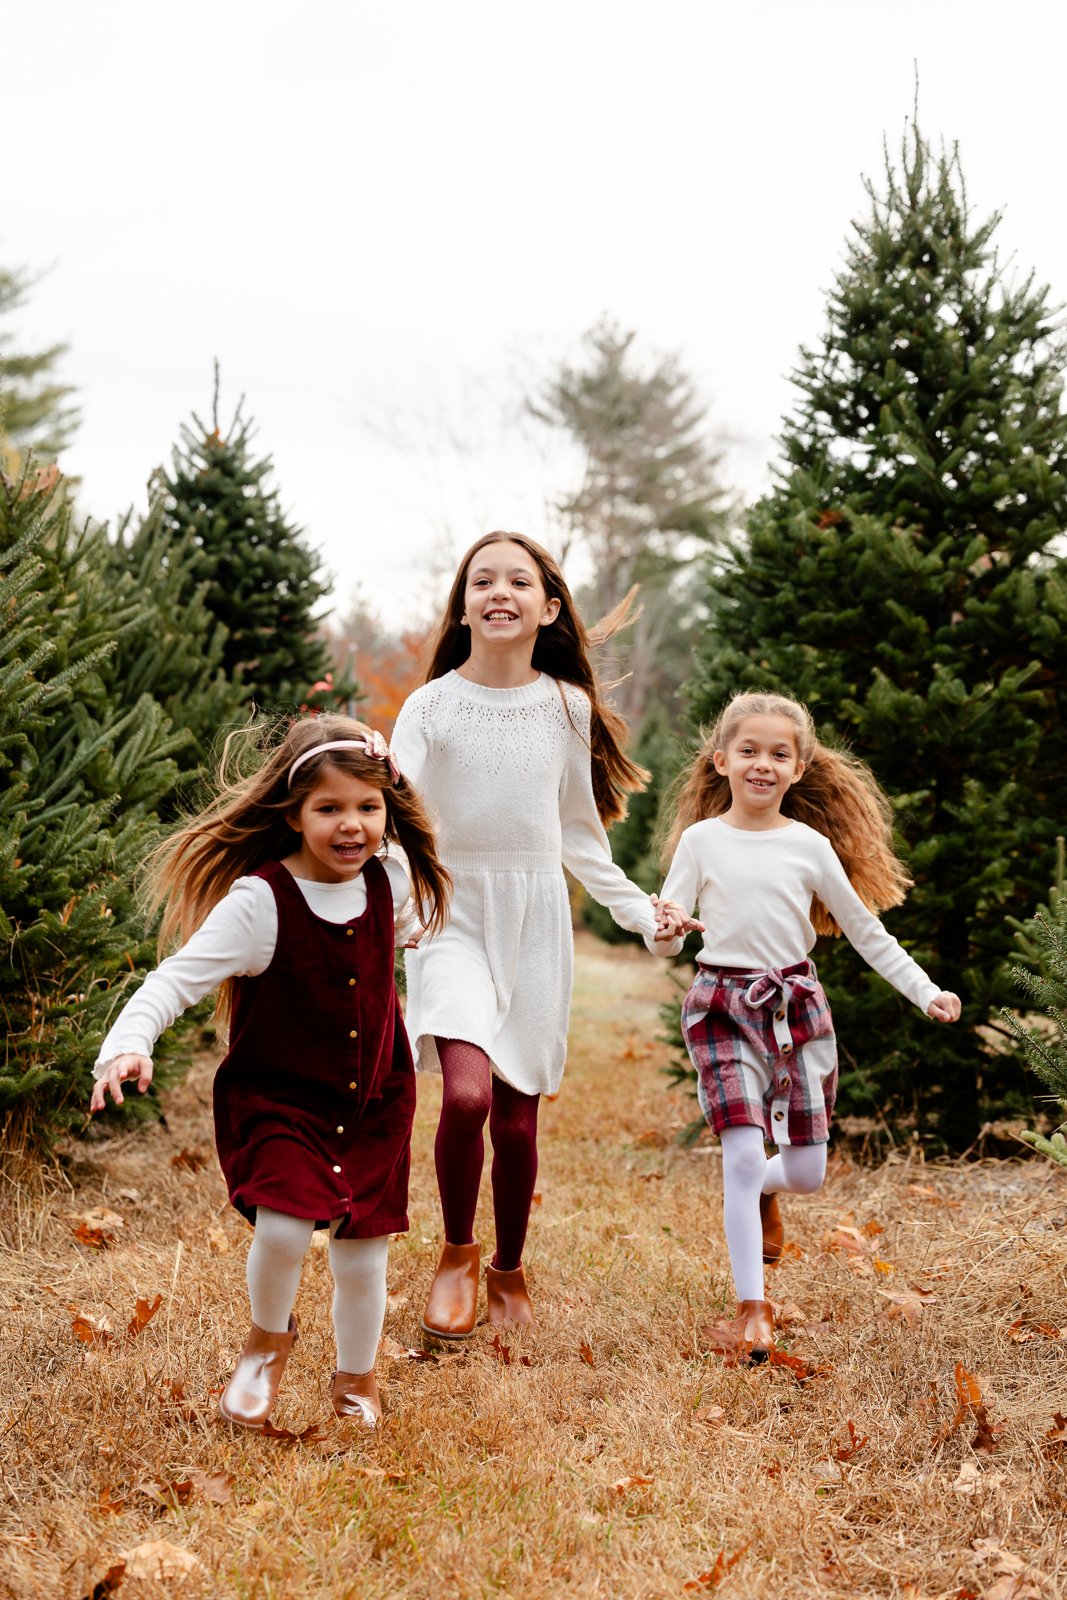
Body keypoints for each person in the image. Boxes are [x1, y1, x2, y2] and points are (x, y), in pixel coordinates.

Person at [89, 715, 451, 1430]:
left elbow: (413, 892)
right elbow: (174, 980)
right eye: (329, 808)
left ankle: (356, 1379)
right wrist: (127, 1045)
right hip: (280, 1103)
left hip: (375, 1102)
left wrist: (394, 772)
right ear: (292, 813)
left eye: (368, 807)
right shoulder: (261, 901)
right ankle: (264, 1349)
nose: (352, 825)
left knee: (361, 1255)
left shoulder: (391, 880)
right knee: (284, 1232)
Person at [391, 531, 696, 1339]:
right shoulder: (428, 708)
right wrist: (402, 915)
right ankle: (456, 1253)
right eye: (481, 580)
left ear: (548, 607)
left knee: (517, 1121)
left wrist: (643, 912)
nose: (498, 591)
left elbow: (578, 838)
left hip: (533, 923)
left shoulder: (566, 709)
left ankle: (508, 1267)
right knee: (464, 1096)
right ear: (462, 607)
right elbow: (398, 824)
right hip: (447, 915)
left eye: (517, 581)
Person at [648, 691, 961, 1361]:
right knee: (737, 1152)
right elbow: (666, 936)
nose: (762, 763)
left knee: (806, 1171)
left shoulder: (809, 846)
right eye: (749, 751)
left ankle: (763, 1190)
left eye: (778, 753)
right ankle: (752, 1307)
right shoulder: (701, 841)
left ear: (798, 768)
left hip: (796, 1008)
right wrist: (665, 930)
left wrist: (924, 990)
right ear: (721, 759)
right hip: (720, 1006)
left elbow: (866, 933)